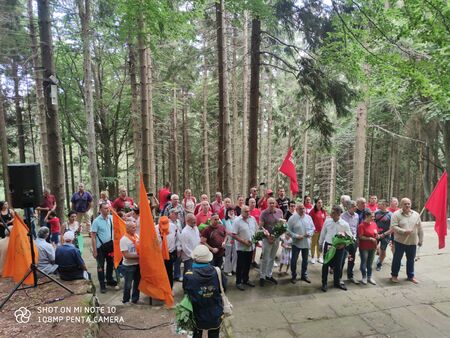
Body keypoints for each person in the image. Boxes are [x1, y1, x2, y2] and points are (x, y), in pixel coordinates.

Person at [183, 245, 227, 338]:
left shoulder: (189, 275)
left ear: (194, 258)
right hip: (215, 312)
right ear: (208, 258)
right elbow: (224, 288)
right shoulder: (217, 271)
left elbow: (186, 292)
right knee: (214, 334)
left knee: (197, 334)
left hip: (197, 313)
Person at [319, 205, 352, 292]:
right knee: (325, 265)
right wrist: (320, 244)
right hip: (328, 246)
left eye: (333, 212)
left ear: (338, 213)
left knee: (338, 266)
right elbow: (323, 233)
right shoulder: (327, 221)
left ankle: (336, 282)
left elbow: (351, 238)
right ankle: (324, 283)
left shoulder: (345, 224)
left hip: (339, 248)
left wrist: (344, 245)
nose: (331, 213)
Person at [390, 198, 423, 284]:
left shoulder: (416, 215)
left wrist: (421, 240)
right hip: (400, 242)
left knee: (411, 260)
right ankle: (394, 275)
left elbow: (420, 228)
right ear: (401, 205)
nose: (407, 205)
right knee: (397, 259)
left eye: (409, 203)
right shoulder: (396, 214)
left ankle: (410, 276)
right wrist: (404, 231)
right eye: (405, 204)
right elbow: (394, 227)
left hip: (412, 242)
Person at [91, 202, 117, 293]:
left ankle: (109, 280)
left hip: (110, 246)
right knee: (100, 266)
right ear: (100, 210)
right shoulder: (96, 221)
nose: (107, 209)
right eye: (105, 208)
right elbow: (93, 236)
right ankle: (102, 284)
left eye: (108, 208)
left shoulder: (111, 218)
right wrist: (94, 251)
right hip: (100, 247)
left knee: (110, 264)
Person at [287, 203, 315, 284]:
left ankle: (304, 275)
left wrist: (309, 233)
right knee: (294, 260)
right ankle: (293, 275)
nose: (302, 210)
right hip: (296, 243)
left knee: (305, 260)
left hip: (306, 242)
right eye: (300, 208)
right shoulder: (292, 218)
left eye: (303, 208)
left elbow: (312, 228)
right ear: (296, 209)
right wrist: (296, 236)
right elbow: (288, 231)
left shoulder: (308, 217)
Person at [259, 197, 283, 286]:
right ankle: (262, 276)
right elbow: (261, 227)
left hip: (276, 238)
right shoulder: (263, 213)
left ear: (276, 203)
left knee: (272, 257)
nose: (272, 204)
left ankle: (269, 274)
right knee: (265, 258)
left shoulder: (280, 212)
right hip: (266, 239)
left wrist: (279, 234)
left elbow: (281, 224)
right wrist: (268, 236)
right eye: (270, 203)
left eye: (273, 203)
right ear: (267, 204)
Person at [231, 205, 256, 291]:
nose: (248, 213)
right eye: (246, 211)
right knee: (240, 265)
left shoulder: (252, 219)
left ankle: (246, 279)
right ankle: (238, 282)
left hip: (251, 247)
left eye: (249, 211)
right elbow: (233, 234)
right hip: (241, 247)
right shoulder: (237, 221)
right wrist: (243, 241)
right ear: (241, 212)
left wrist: (255, 240)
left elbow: (255, 231)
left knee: (248, 264)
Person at [158, 212, 181, 288]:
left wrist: (178, 248)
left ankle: (169, 289)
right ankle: (161, 289)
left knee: (169, 272)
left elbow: (178, 238)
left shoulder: (173, 227)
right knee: (160, 273)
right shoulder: (155, 229)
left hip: (170, 253)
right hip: (159, 255)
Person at [120, 219, 140, 304]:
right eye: (132, 228)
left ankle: (135, 299)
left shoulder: (137, 236)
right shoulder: (123, 240)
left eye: (135, 227)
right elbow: (126, 255)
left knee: (137, 284)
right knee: (128, 285)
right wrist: (139, 256)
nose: (134, 229)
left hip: (138, 265)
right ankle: (126, 300)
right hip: (128, 266)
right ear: (127, 229)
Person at [340, 200, 360, 284]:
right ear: (349, 207)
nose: (356, 207)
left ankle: (350, 276)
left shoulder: (357, 216)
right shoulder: (343, 216)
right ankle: (339, 277)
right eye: (355, 206)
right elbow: (340, 229)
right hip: (345, 241)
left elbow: (356, 227)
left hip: (353, 241)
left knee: (351, 258)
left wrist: (356, 239)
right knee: (342, 259)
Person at [358, 209, 379, 285]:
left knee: (370, 263)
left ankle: (369, 277)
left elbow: (376, 233)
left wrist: (377, 236)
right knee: (364, 262)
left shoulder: (374, 224)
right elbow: (360, 236)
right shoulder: (361, 225)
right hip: (364, 247)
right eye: (371, 217)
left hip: (373, 246)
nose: (373, 218)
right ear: (366, 216)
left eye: (373, 217)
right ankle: (364, 276)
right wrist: (369, 238)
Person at [374, 200, 393, 271]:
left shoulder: (391, 215)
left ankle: (379, 264)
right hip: (376, 234)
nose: (378, 205)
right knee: (373, 248)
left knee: (383, 249)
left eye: (380, 204)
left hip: (386, 235)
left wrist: (384, 234)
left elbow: (392, 228)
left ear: (385, 205)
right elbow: (372, 223)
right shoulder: (376, 213)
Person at [309, 198, 327, 264]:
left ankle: (319, 257)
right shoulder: (312, 211)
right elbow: (310, 221)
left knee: (320, 244)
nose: (320, 204)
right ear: (316, 203)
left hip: (322, 231)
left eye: (321, 203)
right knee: (313, 244)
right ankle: (313, 257)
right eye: (319, 202)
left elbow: (325, 221)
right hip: (315, 231)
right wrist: (313, 229)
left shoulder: (323, 211)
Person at [222, 208, 237, 276]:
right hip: (228, 239)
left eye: (232, 211)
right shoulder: (224, 220)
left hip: (236, 239)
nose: (231, 212)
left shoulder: (237, 219)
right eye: (230, 211)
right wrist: (230, 234)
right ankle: (227, 270)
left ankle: (234, 269)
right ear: (227, 212)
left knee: (235, 254)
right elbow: (224, 230)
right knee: (228, 255)